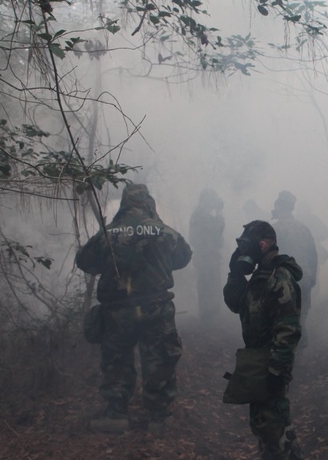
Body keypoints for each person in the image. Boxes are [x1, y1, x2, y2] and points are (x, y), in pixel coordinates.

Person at [77, 183, 192, 433]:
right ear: (148, 202)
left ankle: (116, 413)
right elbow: (183, 257)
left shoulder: (109, 233)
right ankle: (159, 416)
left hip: (118, 311)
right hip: (155, 308)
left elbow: (85, 262)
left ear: (125, 203)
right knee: (160, 358)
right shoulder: (164, 231)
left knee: (117, 360)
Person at [222, 220, 307, 460]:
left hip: (270, 358)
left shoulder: (280, 278)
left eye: (248, 244)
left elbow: (289, 329)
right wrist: (235, 273)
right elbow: (235, 303)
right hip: (258, 356)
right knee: (278, 413)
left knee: (264, 421)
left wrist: (276, 368)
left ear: (263, 244)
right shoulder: (262, 274)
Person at [270, 191, 318, 334]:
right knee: (301, 318)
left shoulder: (275, 229)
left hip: (284, 282)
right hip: (304, 280)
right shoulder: (303, 228)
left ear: (278, 206)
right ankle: (299, 352)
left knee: (282, 319)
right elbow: (313, 256)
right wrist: (312, 278)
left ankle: (285, 353)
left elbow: (269, 258)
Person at [188, 187, 226, 321]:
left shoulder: (200, 214)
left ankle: (209, 313)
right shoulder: (201, 215)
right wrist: (220, 218)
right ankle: (209, 314)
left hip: (207, 256)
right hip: (206, 256)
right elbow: (214, 232)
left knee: (209, 283)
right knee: (208, 283)